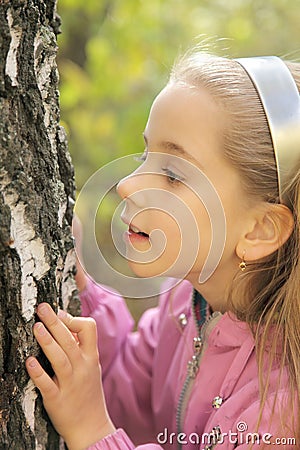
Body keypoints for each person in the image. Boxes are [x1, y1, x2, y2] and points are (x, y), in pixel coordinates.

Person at [25, 49, 300, 449]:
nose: (128, 185)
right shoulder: (185, 304)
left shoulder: (280, 412)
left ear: (259, 229)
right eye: (145, 155)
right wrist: (78, 287)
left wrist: (91, 432)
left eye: (172, 174)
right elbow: (124, 393)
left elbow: (97, 418)